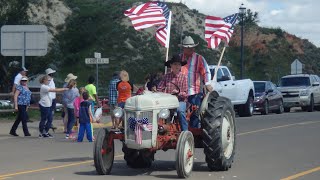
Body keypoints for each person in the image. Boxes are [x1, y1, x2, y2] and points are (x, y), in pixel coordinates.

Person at [180, 36, 213, 128]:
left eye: (191, 47)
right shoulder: (178, 58)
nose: (190, 49)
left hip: (194, 92)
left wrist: (207, 83)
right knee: (179, 112)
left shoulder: (199, 58)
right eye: (187, 47)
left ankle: (193, 132)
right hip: (180, 92)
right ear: (183, 48)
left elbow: (205, 71)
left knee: (194, 113)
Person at [157, 55, 188, 131]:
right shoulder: (166, 77)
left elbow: (186, 93)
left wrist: (178, 93)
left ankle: (185, 132)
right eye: (175, 64)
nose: (177, 66)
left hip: (180, 101)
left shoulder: (184, 77)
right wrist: (158, 91)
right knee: (156, 110)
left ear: (181, 66)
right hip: (167, 102)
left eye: (179, 64)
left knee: (180, 111)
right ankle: (158, 129)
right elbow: (159, 88)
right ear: (171, 65)